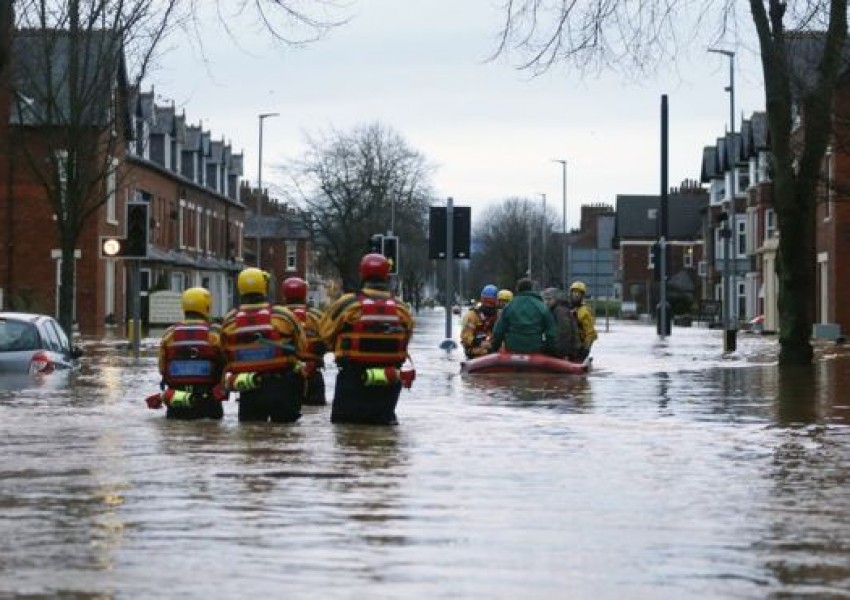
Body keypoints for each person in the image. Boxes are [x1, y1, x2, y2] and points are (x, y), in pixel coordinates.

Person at [319, 253, 415, 425]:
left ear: (362, 274)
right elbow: (406, 340)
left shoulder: (347, 304)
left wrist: (338, 348)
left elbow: (324, 333)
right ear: (387, 276)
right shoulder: (402, 308)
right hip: (389, 382)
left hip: (352, 380)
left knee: (346, 436)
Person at [220, 267, 307, 423]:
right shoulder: (284, 315)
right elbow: (302, 348)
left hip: (248, 390)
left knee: (251, 439)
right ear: (264, 288)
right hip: (281, 387)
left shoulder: (229, 321)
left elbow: (224, 354)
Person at [150, 287, 228, 420]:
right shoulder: (215, 334)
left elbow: (162, 369)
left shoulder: (169, 335)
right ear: (207, 307)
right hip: (208, 401)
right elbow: (228, 362)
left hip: (177, 400)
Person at [281, 276, 327, 406]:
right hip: (314, 376)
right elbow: (329, 340)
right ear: (304, 294)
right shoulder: (317, 317)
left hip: (283, 378)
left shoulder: (277, 317)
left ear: (284, 295)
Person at [489, 278, 557, 354]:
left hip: (512, 349)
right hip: (535, 349)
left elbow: (499, 331)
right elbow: (551, 332)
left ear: (518, 289)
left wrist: (494, 348)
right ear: (531, 289)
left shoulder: (509, 306)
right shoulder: (542, 307)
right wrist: (550, 349)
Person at [460, 284, 499, 359]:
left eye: (491, 303)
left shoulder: (498, 316)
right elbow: (465, 337)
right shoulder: (471, 316)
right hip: (476, 350)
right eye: (487, 303)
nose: (489, 306)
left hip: (493, 350)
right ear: (482, 301)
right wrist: (480, 343)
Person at [542, 287, 581, 361]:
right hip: (564, 346)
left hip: (567, 349)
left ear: (556, 299)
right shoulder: (554, 310)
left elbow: (565, 332)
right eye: (545, 299)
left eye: (549, 299)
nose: (546, 302)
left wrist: (562, 353)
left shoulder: (560, 311)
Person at [569, 281, 598, 360]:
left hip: (580, 345)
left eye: (579, 293)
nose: (576, 294)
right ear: (571, 293)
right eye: (574, 292)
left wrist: (586, 349)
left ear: (582, 295)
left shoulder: (585, 311)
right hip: (568, 343)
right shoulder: (567, 308)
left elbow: (590, 333)